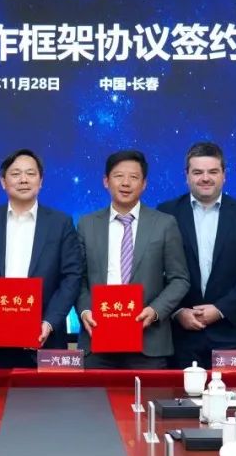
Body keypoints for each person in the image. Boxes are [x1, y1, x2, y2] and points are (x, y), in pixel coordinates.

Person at [0, 149, 83, 368]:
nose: (23, 179)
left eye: (30, 173)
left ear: (41, 181)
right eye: (15, 174)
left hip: (44, 340)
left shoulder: (61, 223)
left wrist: (50, 322)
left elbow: (72, 276)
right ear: (3, 182)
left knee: (43, 393)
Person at [77, 150, 190, 369]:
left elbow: (180, 279)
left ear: (144, 184)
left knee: (147, 394)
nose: (126, 183)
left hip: (148, 342)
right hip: (97, 340)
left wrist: (155, 311)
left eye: (134, 177)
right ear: (106, 181)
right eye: (119, 176)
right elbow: (77, 278)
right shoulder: (86, 224)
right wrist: (85, 310)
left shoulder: (164, 224)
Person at [158, 142, 236, 368]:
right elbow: (156, 271)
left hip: (233, 334)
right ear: (186, 176)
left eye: (213, 172)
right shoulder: (166, 214)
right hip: (181, 335)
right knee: (182, 392)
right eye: (198, 172)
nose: (205, 178)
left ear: (224, 175)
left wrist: (220, 310)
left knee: (233, 393)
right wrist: (177, 312)